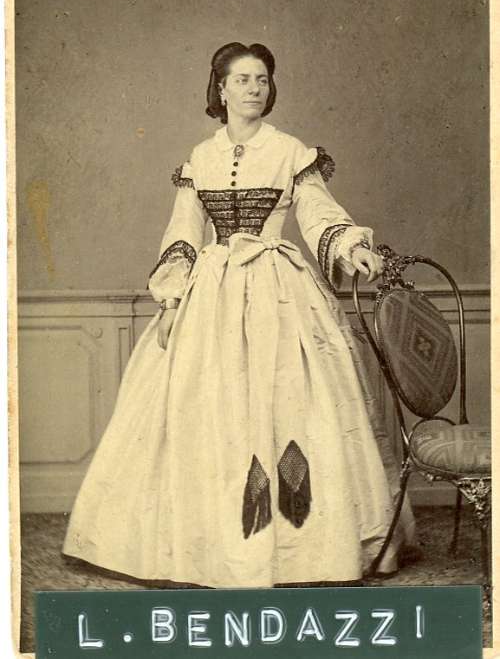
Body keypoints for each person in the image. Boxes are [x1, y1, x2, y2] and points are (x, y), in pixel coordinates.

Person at [63, 42, 415, 587]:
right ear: (221, 89)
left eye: (262, 80)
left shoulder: (289, 150)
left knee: (294, 403)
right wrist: (172, 299)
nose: (254, 88)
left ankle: (303, 549)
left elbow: (318, 214)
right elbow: (184, 231)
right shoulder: (200, 157)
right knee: (205, 408)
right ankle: (211, 547)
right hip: (212, 294)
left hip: (280, 291)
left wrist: (351, 248)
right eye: (243, 80)